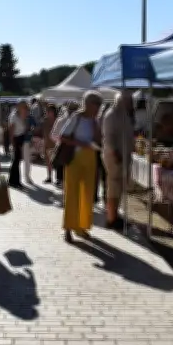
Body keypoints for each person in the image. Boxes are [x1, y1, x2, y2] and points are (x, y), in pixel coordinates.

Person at [60, 91, 102, 243]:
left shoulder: (94, 121)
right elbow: (62, 136)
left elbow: (98, 140)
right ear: (89, 104)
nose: (98, 109)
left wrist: (97, 130)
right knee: (72, 194)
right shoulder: (76, 117)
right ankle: (68, 228)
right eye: (97, 105)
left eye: (99, 106)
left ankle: (82, 226)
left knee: (87, 194)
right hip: (74, 158)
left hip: (90, 158)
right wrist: (81, 144)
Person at [101, 90, 135, 230]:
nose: (131, 104)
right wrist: (115, 154)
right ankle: (110, 219)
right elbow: (108, 138)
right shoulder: (111, 115)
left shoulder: (124, 115)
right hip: (114, 157)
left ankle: (115, 214)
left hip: (123, 156)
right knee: (113, 188)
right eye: (129, 101)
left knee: (119, 187)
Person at [8, 100, 31, 188]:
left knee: (17, 161)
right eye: (24, 108)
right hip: (16, 139)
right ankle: (15, 181)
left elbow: (25, 127)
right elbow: (11, 131)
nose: (26, 110)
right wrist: (13, 144)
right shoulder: (14, 117)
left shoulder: (21, 116)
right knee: (16, 161)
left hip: (20, 138)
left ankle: (14, 180)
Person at [41, 105, 58, 184]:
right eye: (47, 111)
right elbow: (44, 132)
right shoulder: (45, 121)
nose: (47, 113)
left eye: (49, 111)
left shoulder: (57, 121)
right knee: (48, 162)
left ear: (53, 112)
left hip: (56, 144)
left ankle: (58, 178)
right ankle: (49, 177)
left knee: (57, 162)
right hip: (47, 143)